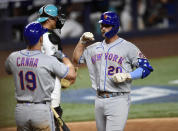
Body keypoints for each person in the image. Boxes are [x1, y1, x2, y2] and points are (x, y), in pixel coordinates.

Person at [73, 11, 153, 131]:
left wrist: (128, 75)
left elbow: (146, 68)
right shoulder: (94, 48)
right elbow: (76, 59)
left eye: (106, 25)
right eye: (102, 25)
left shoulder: (128, 47)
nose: (103, 28)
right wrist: (82, 41)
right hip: (99, 100)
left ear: (115, 26)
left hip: (118, 100)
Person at [5, 22, 76, 131]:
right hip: (41, 111)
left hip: (21, 112)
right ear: (41, 39)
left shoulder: (13, 58)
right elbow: (71, 75)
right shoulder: (49, 60)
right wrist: (65, 58)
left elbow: (8, 70)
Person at [36, 4, 67, 126]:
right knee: (54, 116)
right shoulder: (50, 37)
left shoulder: (34, 34)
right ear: (49, 19)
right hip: (50, 84)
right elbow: (52, 64)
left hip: (38, 83)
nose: (58, 20)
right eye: (56, 17)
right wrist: (65, 73)